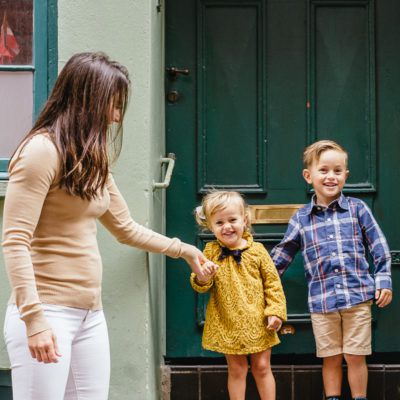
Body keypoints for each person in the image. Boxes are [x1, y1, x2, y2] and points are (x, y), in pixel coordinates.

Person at [1, 51, 214, 400]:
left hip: (89, 316)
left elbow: (125, 227)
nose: (116, 117)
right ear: (86, 100)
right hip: (47, 312)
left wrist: (185, 250)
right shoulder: (41, 152)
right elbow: (14, 241)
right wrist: (34, 319)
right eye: (112, 105)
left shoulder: (91, 158)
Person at [271, 140, 392, 400]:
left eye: (338, 171)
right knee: (331, 357)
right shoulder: (301, 219)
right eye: (323, 170)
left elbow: (379, 247)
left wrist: (383, 280)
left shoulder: (358, 209)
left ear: (345, 176)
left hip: (357, 298)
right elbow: (282, 256)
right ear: (308, 176)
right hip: (322, 301)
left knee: (355, 355)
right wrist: (257, 281)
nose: (330, 176)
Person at [190, 191, 287, 400]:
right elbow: (200, 285)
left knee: (261, 366)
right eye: (219, 223)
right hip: (228, 322)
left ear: (244, 220)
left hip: (258, 321)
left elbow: (273, 284)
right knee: (237, 369)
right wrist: (203, 276)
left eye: (232, 220)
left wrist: (275, 312)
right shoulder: (210, 251)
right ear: (211, 226)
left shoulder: (258, 251)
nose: (227, 227)